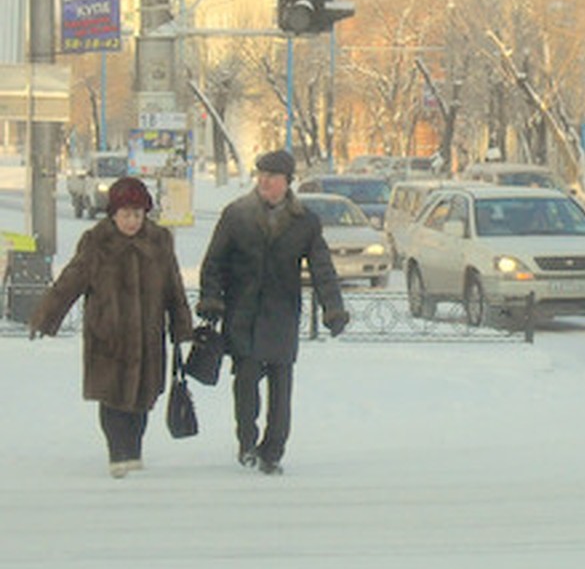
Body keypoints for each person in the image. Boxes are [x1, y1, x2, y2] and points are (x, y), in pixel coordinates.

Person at [29, 175, 194, 478]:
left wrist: (182, 326)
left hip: (147, 338)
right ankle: (118, 453)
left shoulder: (159, 241)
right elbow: (70, 282)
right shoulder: (97, 242)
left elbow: (174, 288)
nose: (132, 221)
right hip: (108, 338)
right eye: (126, 214)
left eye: (138, 214)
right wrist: (46, 316)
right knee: (113, 398)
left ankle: (134, 451)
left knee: (144, 398)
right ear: (113, 214)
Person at [197, 149, 349, 475]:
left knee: (281, 386)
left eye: (272, 176)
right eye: (261, 174)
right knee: (246, 383)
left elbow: (322, 268)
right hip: (244, 314)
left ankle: (273, 450)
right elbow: (214, 263)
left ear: (287, 182)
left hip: (281, 314)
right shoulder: (236, 215)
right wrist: (212, 300)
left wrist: (333, 309)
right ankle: (247, 442)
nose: (264, 181)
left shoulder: (304, 221)